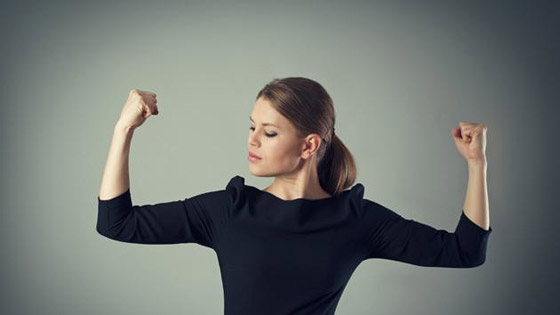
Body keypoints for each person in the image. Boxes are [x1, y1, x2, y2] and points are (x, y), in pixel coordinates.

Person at [97, 77, 492, 315]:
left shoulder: (356, 220)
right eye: (252, 127)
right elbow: (117, 224)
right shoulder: (228, 211)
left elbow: (465, 251)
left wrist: (477, 165)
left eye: (268, 132)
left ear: (308, 145)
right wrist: (122, 130)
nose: (251, 141)